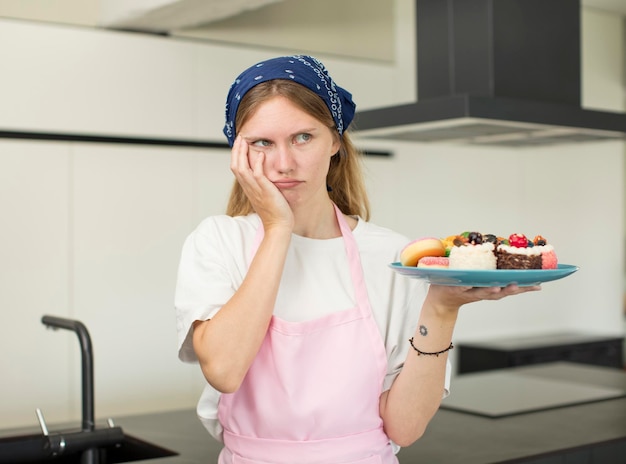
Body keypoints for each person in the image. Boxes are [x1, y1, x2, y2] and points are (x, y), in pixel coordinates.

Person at [174, 55, 539, 464]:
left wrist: (441, 308)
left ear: (335, 141)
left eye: (302, 137)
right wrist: (278, 229)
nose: (283, 164)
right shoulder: (218, 242)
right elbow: (223, 369)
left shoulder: (392, 256)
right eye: (262, 142)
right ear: (238, 152)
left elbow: (404, 427)